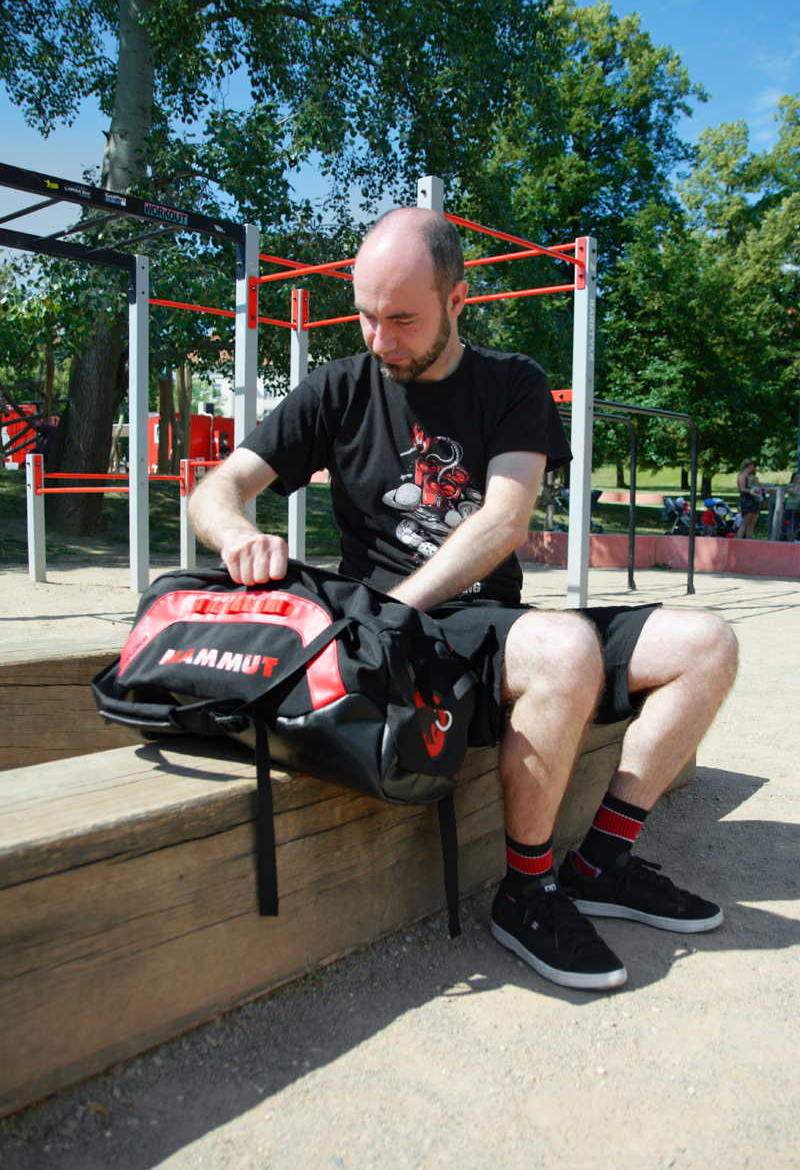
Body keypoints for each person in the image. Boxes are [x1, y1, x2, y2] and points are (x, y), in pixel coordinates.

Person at [189, 208, 738, 992]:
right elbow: (216, 490)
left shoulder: (512, 382)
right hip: (394, 649)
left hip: (460, 620)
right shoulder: (338, 387)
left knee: (709, 645)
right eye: (367, 317)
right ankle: (527, 893)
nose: (380, 340)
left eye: (402, 319)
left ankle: (601, 863)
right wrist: (236, 533)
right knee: (563, 649)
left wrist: (398, 605)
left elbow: (503, 521)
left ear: (458, 300)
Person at [736, 458, 762, 540]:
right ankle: (738, 541)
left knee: (752, 524)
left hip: (754, 500)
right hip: (747, 500)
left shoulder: (751, 476)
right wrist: (751, 491)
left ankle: (749, 541)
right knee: (745, 523)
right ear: (750, 466)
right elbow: (742, 488)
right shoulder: (742, 475)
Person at [784, 471, 800, 541]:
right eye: (797, 478)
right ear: (793, 479)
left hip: (798, 507)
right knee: (791, 525)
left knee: (796, 526)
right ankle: (789, 540)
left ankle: (794, 539)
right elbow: (794, 492)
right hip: (791, 507)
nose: (799, 479)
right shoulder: (790, 486)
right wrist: (797, 484)